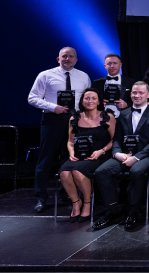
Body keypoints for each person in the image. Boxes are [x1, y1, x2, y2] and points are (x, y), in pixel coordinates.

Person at [28, 47, 91, 213]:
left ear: (76, 60)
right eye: (64, 56)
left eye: (71, 57)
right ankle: (41, 197)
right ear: (58, 59)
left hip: (76, 120)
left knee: (70, 157)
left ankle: (67, 193)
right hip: (52, 120)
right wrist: (52, 107)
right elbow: (32, 98)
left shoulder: (83, 76)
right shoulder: (45, 75)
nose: (67, 59)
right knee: (45, 158)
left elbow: (88, 99)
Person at [93, 81, 149, 230]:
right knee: (101, 171)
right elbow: (117, 139)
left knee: (136, 171)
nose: (137, 95)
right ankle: (113, 211)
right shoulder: (123, 114)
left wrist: (136, 158)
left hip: (145, 156)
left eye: (141, 93)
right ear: (130, 94)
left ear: (148, 95)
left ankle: (133, 211)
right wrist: (117, 153)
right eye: (134, 92)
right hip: (124, 155)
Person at [58, 88, 116, 223]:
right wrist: (71, 152)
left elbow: (115, 140)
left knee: (78, 172)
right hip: (78, 154)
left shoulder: (107, 117)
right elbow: (70, 141)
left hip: (99, 154)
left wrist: (101, 151)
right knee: (64, 173)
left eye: (94, 98)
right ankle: (76, 202)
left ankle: (87, 203)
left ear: (99, 101)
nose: (90, 101)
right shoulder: (75, 118)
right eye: (87, 98)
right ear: (82, 101)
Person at [91, 54, 136, 118]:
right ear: (105, 66)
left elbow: (137, 101)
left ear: (120, 65)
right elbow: (91, 101)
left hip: (124, 119)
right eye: (109, 63)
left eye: (115, 63)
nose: (112, 66)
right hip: (101, 118)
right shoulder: (96, 83)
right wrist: (99, 104)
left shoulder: (130, 82)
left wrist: (126, 104)